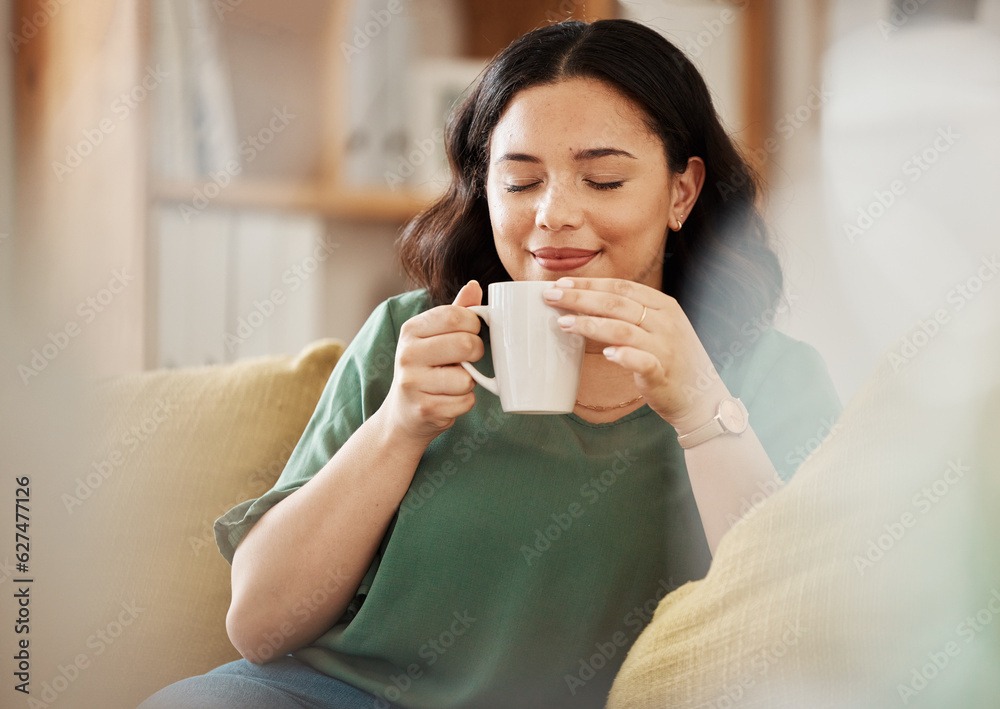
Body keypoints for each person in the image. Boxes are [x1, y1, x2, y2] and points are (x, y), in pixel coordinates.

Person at [138, 18, 840, 709]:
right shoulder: (411, 335)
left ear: (681, 191)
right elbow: (259, 626)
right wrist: (398, 428)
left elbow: (801, 641)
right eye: (521, 181)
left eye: (601, 180)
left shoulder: (769, 378)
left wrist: (700, 412)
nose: (554, 214)